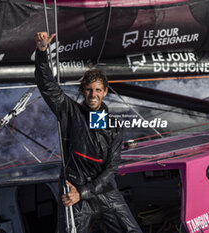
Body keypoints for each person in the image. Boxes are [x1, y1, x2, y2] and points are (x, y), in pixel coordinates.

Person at [34, 32, 142, 233]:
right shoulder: (70, 112)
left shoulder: (113, 125)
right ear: (83, 91)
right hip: (73, 192)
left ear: (105, 92)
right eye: (89, 90)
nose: (93, 95)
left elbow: (111, 168)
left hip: (104, 193)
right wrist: (42, 52)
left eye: (98, 90)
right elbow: (46, 85)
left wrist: (83, 192)